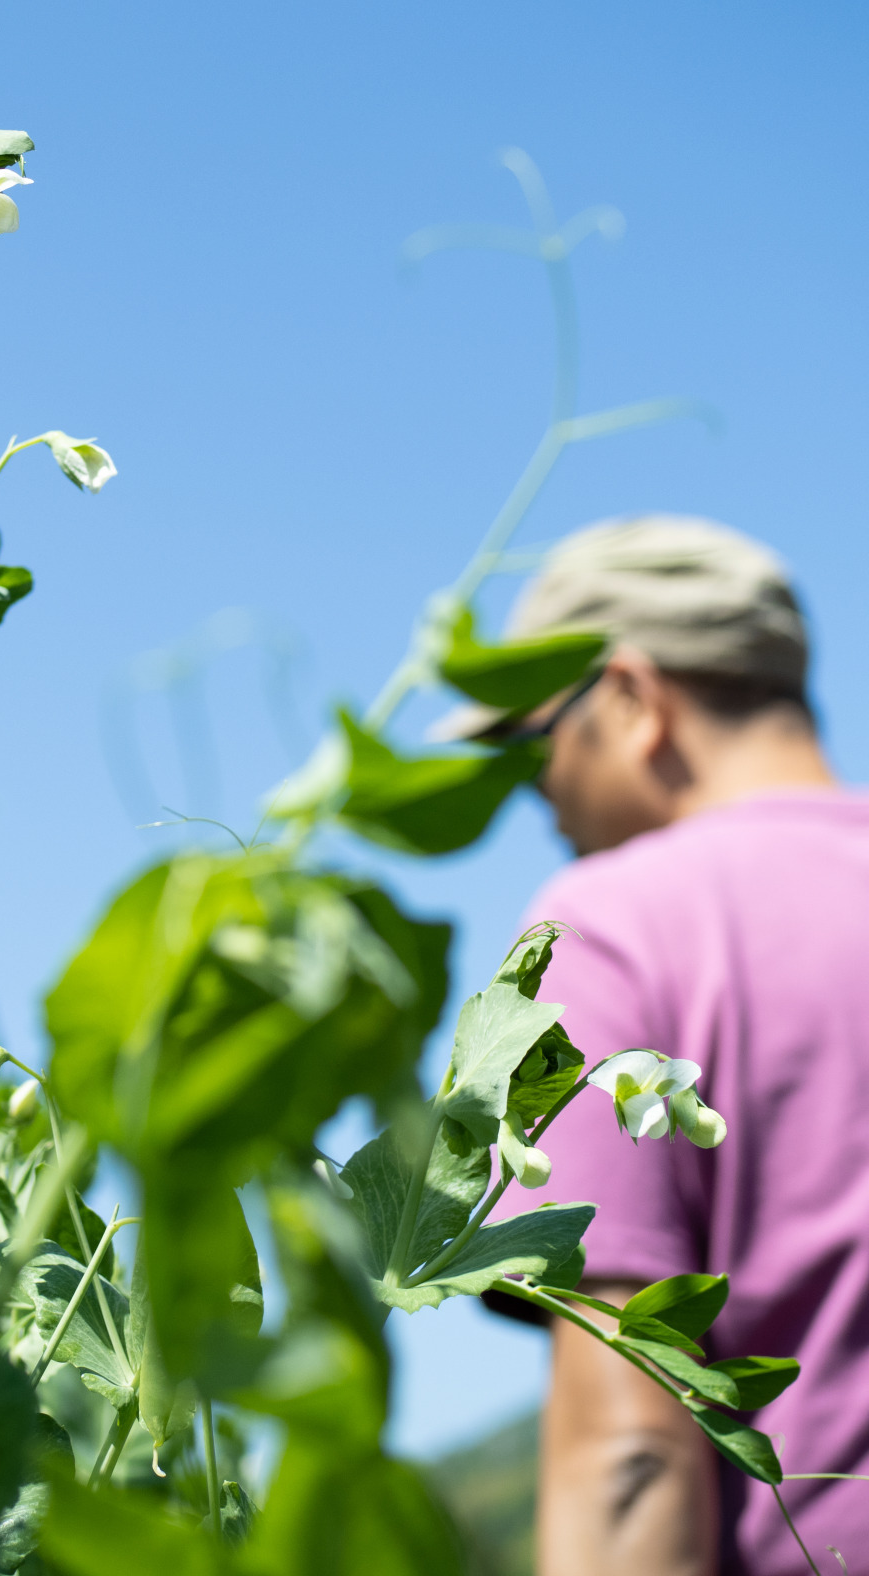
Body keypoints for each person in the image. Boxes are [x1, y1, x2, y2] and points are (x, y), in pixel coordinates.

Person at [441, 516, 869, 1576]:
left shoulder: (612, 928)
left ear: (630, 702)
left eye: (532, 744)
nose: (531, 792)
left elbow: (627, 1447)